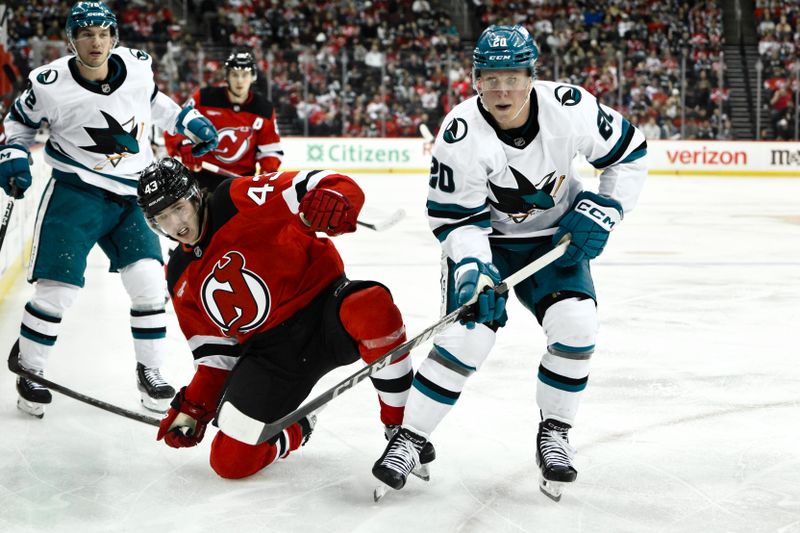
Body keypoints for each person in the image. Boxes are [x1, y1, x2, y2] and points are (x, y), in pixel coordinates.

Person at [372, 24, 647, 501]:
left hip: (555, 241)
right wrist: (474, 270)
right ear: (475, 79)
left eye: (513, 76)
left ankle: (555, 433)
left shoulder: (570, 108)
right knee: (467, 338)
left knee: (578, 327)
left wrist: (605, 209)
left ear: (531, 76)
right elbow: (456, 220)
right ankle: (410, 438)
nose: (503, 89)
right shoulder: (460, 132)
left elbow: (630, 153)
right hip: (489, 242)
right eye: (491, 77)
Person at [136, 158, 434, 479]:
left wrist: (335, 198)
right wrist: (193, 408)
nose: (176, 224)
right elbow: (215, 357)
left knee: (370, 305)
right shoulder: (179, 275)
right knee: (230, 461)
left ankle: (401, 428)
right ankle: (298, 429)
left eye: (179, 208)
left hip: (324, 312)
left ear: (195, 196)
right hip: (271, 355)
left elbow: (326, 181)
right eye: (162, 217)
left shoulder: (236, 198)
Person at [0, 1, 219, 418]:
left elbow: (153, 100)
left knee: (150, 284)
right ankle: (31, 370)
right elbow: (19, 120)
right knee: (57, 291)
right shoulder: (48, 83)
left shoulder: (137, 66)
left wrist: (185, 121)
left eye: (103, 33)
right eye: (85, 33)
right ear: (72, 40)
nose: (95, 42)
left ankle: (150, 372)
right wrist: (12, 151)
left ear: (115, 37)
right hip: (75, 193)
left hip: (132, 196)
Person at [163, 49, 283, 191]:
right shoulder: (204, 98)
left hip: (241, 182)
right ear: (227, 76)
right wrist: (183, 144)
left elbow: (270, 151)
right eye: (234, 74)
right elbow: (176, 123)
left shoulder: (264, 109)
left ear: (253, 77)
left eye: (244, 75)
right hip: (202, 177)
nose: (239, 80)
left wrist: (265, 178)